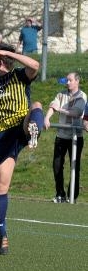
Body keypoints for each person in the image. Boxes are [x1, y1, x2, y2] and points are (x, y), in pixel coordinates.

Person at [0, 43, 44, 255]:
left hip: (20, 125)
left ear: (0, 61)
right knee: (1, 185)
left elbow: (36, 65)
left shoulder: (19, 75)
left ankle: (34, 129)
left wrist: (9, 53)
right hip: (1, 134)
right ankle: (2, 233)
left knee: (36, 106)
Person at [44, 72, 87, 203]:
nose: (67, 82)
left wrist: (59, 110)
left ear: (77, 81)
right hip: (61, 136)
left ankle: (72, 196)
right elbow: (53, 106)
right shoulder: (61, 94)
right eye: (66, 80)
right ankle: (60, 194)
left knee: (75, 166)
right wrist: (47, 117)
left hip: (75, 137)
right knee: (57, 165)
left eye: (70, 80)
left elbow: (76, 113)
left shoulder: (82, 96)